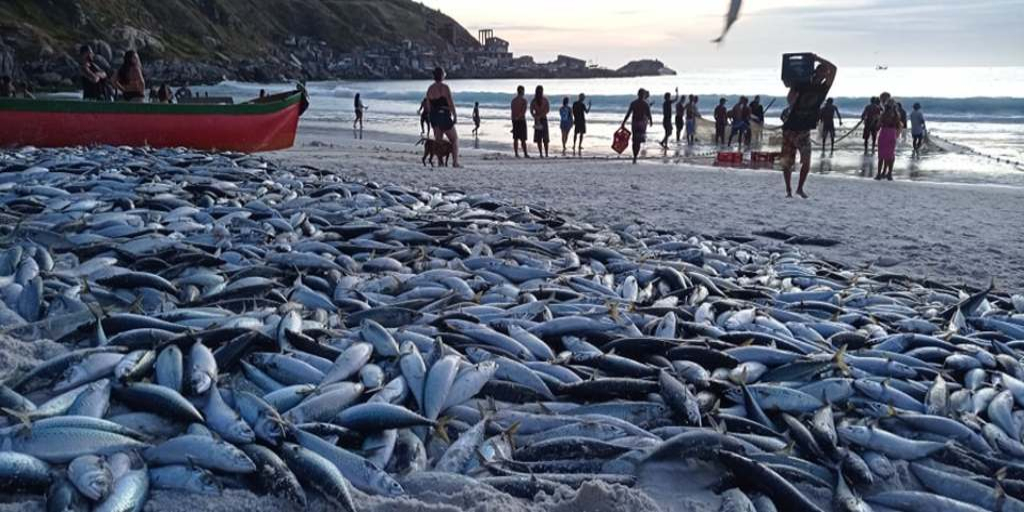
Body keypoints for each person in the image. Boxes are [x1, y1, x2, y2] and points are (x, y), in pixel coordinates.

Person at [779, 54, 838, 199]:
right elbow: (790, 98)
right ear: (815, 72)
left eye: (825, 72)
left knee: (806, 160)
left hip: (804, 129)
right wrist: (793, 97)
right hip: (790, 127)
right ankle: (788, 190)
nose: (824, 74)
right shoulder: (802, 83)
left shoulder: (823, 88)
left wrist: (817, 58)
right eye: (821, 71)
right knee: (787, 162)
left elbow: (834, 69)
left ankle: (799, 188)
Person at [425, 66, 460, 167]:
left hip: (434, 116)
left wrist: (431, 118)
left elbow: (428, 106)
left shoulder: (430, 89)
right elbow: (450, 102)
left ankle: (440, 162)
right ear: (442, 76)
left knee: (438, 140)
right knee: (454, 139)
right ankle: (455, 162)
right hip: (444, 115)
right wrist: (455, 115)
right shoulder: (444, 87)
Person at [621, 88, 652, 165]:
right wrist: (651, 121)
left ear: (638, 94)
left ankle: (635, 156)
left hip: (635, 123)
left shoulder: (634, 103)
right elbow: (649, 114)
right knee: (638, 141)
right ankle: (635, 156)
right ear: (643, 95)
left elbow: (628, 113)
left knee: (635, 141)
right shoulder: (645, 104)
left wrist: (624, 122)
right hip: (641, 123)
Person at [875, 93, 900, 181]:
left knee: (881, 155)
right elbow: (898, 126)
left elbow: (878, 126)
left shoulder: (883, 114)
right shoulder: (896, 115)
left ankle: (879, 174)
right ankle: (889, 174)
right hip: (892, 133)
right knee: (890, 155)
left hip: (884, 133)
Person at [530, 85, 551, 158]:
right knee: (545, 138)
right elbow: (547, 110)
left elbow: (531, 111)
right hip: (543, 119)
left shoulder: (534, 100)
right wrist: (541, 115)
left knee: (539, 138)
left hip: (537, 120)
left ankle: (541, 153)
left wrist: (536, 116)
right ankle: (546, 153)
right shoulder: (545, 100)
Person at [511, 85, 529, 158]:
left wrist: (514, 118)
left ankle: (516, 153)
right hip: (521, 120)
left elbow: (512, 110)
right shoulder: (524, 101)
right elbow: (523, 111)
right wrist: (519, 117)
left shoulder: (513, 100)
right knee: (523, 139)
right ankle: (525, 153)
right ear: (522, 91)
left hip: (514, 120)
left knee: (515, 138)